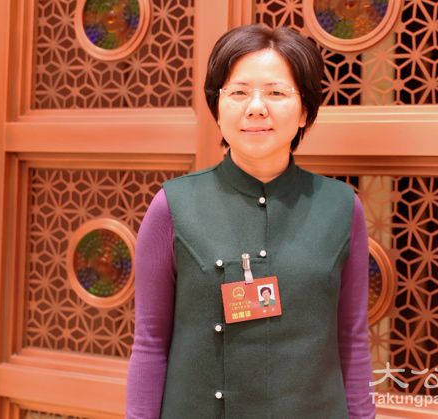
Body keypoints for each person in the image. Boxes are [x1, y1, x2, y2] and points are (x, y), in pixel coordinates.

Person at [126, 24, 375, 418]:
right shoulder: (172, 206)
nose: (256, 107)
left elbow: (353, 339)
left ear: (304, 111)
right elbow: (150, 342)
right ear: (217, 107)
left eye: (276, 93)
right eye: (239, 93)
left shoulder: (342, 207)